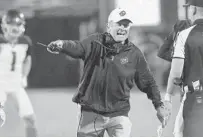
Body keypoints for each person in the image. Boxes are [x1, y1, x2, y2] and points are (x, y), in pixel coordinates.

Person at [47, 8, 171, 137]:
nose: (123, 28)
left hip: (119, 115)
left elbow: (148, 82)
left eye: (126, 25)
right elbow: (78, 47)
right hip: (91, 113)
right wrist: (62, 45)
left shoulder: (134, 54)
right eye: (119, 24)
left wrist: (159, 106)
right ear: (109, 26)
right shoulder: (95, 42)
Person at [163, 0, 203, 136]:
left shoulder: (185, 35)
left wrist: (168, 96)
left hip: (196, 98)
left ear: (193, 10)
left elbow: (176, 72)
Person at [0, 9, 37, 136]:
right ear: (4, 26)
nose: (15, 27)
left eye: (18, 24)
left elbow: (27, 60)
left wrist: (24, 76)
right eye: (11, 24)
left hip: (16, 84)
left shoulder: (25, 42)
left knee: (30, 119)